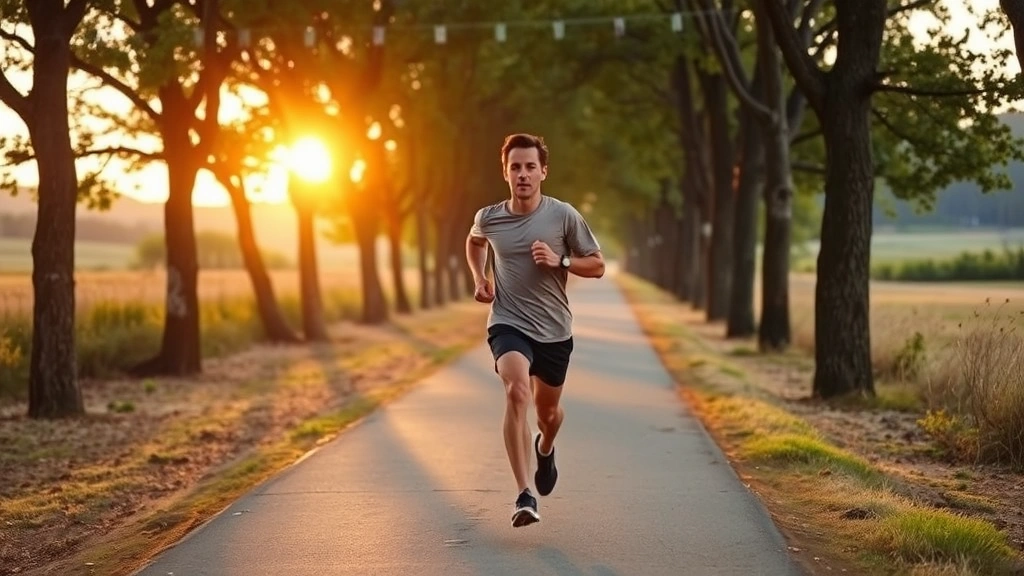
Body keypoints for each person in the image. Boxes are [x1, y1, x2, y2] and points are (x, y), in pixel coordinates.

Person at [465, 133, 605, 528]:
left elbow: (597, 265)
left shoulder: (563, 216)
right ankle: (525, 494)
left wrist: (560, 260)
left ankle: (546, 447)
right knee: (516, 391)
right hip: (508, 321)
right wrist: (479, 277)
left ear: (543, 171)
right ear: (505, 172)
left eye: (530, 166)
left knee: (548, 414)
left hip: (555, 330)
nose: (523, 174)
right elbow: (475, 242)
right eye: (515, 167)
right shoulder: (488, 217)